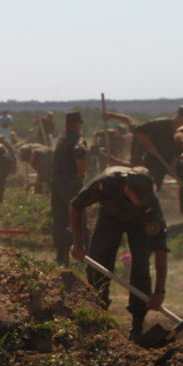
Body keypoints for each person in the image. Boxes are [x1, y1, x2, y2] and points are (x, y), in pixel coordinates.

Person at [70, 166, 167, 343]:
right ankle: (99, 316)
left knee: (141, 266)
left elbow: (160, 248)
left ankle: (137, 326)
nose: (145, 201)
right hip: (110, 216)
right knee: (97, 263)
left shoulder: (150, 204)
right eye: (141, 199)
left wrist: (159, 291)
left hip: (139, 225)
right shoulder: (106, 182)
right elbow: (76, 205)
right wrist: (78, 242)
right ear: (128, 191)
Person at [51, 111, 88, 266]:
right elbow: (79, 156)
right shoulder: (76, 139)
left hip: (57, 182)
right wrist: (81, 174)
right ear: (76, 124)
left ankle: (61, 256)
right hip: (71, 183)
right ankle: (83, 254)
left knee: (60, 220)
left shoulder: (61, 139)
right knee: (78, 218)